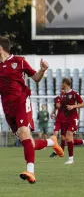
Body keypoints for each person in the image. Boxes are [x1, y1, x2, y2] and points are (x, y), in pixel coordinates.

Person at [0, 37, 64, 184]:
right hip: (7, 108)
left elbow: (35, 78)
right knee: (27, 142)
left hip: (21, 102)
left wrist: (42, 69)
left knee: (24, 134)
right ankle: (51, 142)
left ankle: (30, 172)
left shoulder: (19, 61)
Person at [60, 78, 84, 164]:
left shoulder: (74, 94)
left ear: (65, 84)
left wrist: (73, 106)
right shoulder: (62, 94)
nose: (61, 84)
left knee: (68, 136)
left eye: (62, 83)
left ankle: (71, 160)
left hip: (73, 118)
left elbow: (83, 104)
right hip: (65, 118)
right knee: (68, 139)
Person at [49, 92, 67, 157]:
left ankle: (61, 150)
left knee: (63, 138)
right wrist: (52, 113)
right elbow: (55, 107)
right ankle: (55, 151)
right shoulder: (57, 98)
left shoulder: (66, 100)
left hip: (64, 121)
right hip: (58, 121)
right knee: (55, 134)